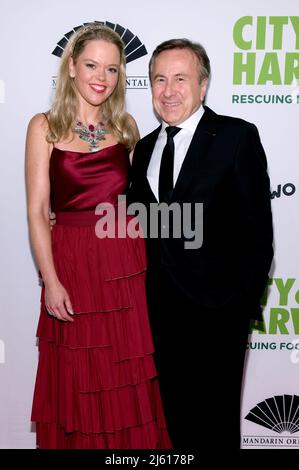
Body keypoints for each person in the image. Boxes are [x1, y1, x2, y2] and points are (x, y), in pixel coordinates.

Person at [25, 24, 171, 449]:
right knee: (78, 373)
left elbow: (142, 198)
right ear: (71, 66)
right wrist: (50, 280)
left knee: (127, 370)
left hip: (125, 263)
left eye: (111, 69)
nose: (100, 77)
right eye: (91, 65)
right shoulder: (45, 127)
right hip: (71, 262)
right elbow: (36, 210)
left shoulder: (125, 126)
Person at [129, 38, 273, 450]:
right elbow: (140, 223)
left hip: (218, 316)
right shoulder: (143, 150)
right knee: (174, 424)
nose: (169, 90)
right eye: (159, 79)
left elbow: (258, 235)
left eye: (180, 78)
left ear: (203, 84)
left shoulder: (236, 137)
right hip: (158, 313)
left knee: (216, 427)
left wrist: (234, 307)